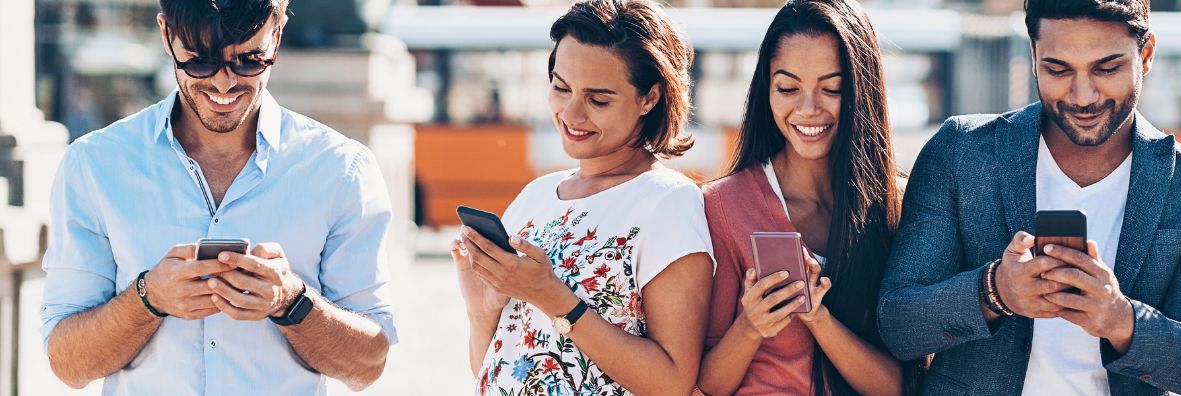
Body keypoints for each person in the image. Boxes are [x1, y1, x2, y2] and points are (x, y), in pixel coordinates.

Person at [875, 1, 1181, 394]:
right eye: (1058, 69)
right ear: (1033, 56)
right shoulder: (961, 153)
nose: (1083, 96)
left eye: (1106, 67)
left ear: (1146, 54)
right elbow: (898, 326)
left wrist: (1120, 320)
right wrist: (993, 290)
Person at [39, 0, 397, 393]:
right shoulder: (95, 164)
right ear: (166, 35)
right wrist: (148, 298)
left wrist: (291, 302)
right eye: (200, 61)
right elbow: (68, 364)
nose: (224, 83)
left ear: (276, 37)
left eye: (248, 61)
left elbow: (368, 365)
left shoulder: (341, 170)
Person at [450, 1, 714, 395]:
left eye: (598, 99)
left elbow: (672, 382)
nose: (571, 113)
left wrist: (554, 298)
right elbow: (491, 367)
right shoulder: (535, 195)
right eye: (560, 88)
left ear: (650, 98)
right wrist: (482, 309)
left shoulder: (669, 203)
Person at [697, 1, 907, 394]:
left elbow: (895, 387)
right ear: (766, 90)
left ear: (863, 90)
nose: (808, 109)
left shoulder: (894, 204)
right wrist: (750, 325)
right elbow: (706, 385)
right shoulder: (724, 205)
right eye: (788, 88)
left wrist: (817, 318)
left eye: (832, 89)